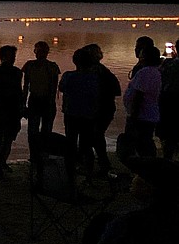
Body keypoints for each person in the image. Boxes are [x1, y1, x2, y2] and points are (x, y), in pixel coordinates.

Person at [58, 48, 99, 179]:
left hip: (72, 113)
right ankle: (88, 172)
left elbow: (61, 88)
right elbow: (96, 96)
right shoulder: (94, 78)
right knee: (86, 144)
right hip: (88, 115)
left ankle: (70, 170)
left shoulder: (68, 76)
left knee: (71, 142)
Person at [0, 45, 23, 179]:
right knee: (1, 137)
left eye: (13, 56)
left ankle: (0, 163)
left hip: (11, 109)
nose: (13, 59)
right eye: (10, 56)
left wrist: (21, 107)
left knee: (6, 138)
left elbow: (19, 92)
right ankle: (0, 163)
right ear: (2, 57)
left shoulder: (17, 72)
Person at [83, 43, 121, 174]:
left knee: (93, 136)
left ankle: (99, 164)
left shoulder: (95, 71)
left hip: (99, 109)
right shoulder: (104, 70)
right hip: (106, 108)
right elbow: (117, 90)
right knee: (96, 136)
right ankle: (102, 163)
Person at [21, 41, 60, 154]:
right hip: (34, 100)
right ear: (35, 52)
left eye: (43, 51)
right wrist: (23, 104)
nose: (40, 54)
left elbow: (54, 87)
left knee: (45, 130)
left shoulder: (52, 66)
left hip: (46, 101)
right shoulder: (29, 65)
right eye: (38, 51)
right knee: (33, 130)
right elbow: (25, 86)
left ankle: (43, 153)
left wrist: (51, 104)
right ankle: (34, 154)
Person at [123, 45, 162, 158]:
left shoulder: (145, 72)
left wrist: (133, 116)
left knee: (141, 143)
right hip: (148, 115)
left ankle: (147, 168)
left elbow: (138, 96)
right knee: (145, 141)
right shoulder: (156, 72)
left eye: (141, 55)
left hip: (142, 116)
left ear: (144, 57)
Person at [157, 38, 179, 160]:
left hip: (169, 101)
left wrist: (165, 56)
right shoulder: (173, 63)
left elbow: (160, 69)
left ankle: (168, 160)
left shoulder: (170, 65)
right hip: (169, 100)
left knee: (168, 135)